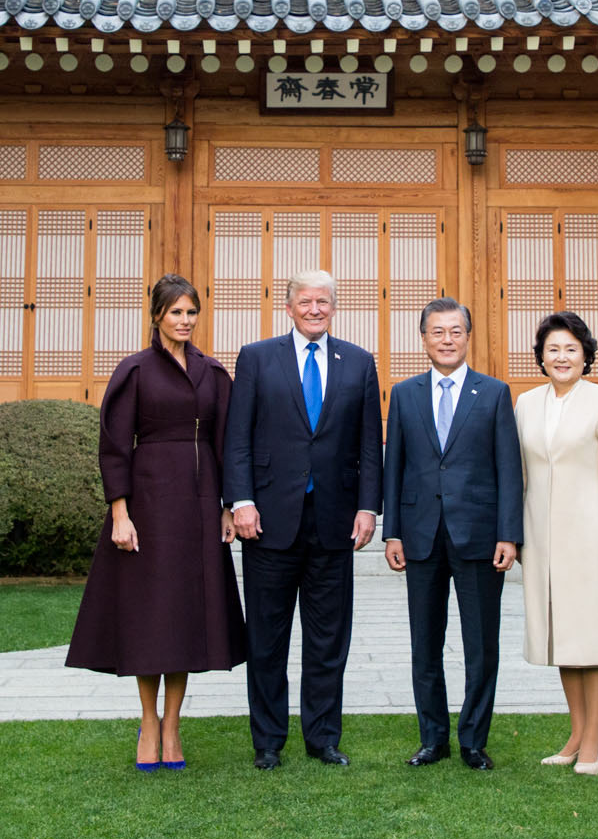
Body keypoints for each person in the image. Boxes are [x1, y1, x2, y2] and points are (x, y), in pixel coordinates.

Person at [66, 275, 247, 771]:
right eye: (176, 313)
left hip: (200, 503)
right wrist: (119, 513)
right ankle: (148, 720)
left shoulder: (213, 374)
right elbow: (114, 446)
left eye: (192, 313)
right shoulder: (136, 371)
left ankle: (173, 723)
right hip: (147, 503)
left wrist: (228, 507)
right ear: (156, 316)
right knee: (152, 618)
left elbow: (228, 445)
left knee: (186, 617)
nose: (185, 321)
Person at [223, 269, 383, 769]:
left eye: (324, 302)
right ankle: (268, 741)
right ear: (288, 307)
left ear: (334, 307)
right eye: (305, 302)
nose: (315, 309)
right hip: (268, 519)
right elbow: (238, 438)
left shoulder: (358, 362)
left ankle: (322, 737)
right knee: (267, 639)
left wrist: (367, 506)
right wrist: (241, 500)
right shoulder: (256, 358)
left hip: (334, 520)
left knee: (328, 638)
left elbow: (367, 444)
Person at [383, 297, 521, 771]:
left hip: (480, 536)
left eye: (455, 331)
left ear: (468, 336)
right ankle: (432, 739)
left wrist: (509, 534)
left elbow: (508, 469)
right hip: (420, 536)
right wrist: (392, 533)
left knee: (481, 643)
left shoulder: (495, 393)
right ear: (423, 339)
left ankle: (474, 741)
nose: (447, 339)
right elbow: (393, 467)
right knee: (426, 642)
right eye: (437, 331)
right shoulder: (403, 394)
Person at [514, 310, 598, 776]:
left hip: (592, 537)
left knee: (595, 638)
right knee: (563, 638)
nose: (561, 356)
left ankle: (594, 741)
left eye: (571, 348)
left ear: (585, 355)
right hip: (544, 539)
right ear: (541, 357)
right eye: (552, 349)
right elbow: (521, 475)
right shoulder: (526, 404)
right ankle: (574, 734)